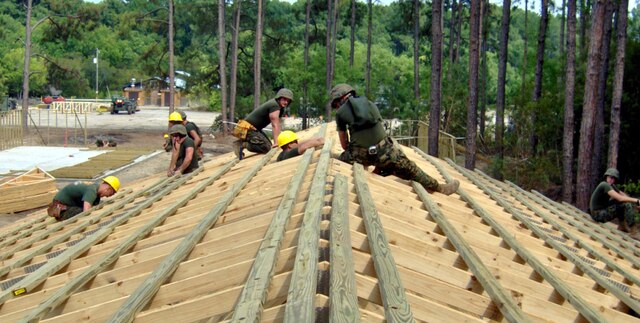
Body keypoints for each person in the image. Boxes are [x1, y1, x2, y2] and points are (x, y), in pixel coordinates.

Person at [329, 83, 459, 195]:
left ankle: (376, 170)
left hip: (359, 156)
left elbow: (345, 145)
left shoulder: (341, 114)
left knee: (337, 159)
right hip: (384, 151)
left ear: (339, 99)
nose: (336, 108)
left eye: (335, 105)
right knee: (411, 169)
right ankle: (440, 188)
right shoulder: (370, 104)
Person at [232, 88, 294, 159]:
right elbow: (274, 125)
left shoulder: (279, 107)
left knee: (268, 147)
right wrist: (277, 143)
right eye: (284, 99)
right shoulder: (275, 105)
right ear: (279, 98)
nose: (286, 102)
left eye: (288, 100)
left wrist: (279, 141)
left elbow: (277, 124)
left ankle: (246, 141)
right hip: (248, 128)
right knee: (266, 148)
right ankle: (242, 144)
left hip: (254, 129)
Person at [589, 168, 640, 240]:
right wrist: (637, 201)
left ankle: (622, 226)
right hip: (597, 214)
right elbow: (620, 198)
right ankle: (634, 232)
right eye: (610, 177)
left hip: (600, 211)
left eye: (613, 178)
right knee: (625, 204)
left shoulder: (611, 185)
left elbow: (622, 194)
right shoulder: (604, 185)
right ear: (606, 176)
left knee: (625, 203)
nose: (611, 180)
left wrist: (635, 204)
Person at [47, 176, 120, 221]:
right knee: (82, 213)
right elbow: (86, 212)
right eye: (110, 194)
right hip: (59, 207)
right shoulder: (92, 190)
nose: (108, 196)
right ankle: (62, 215)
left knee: (95, 204)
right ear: (108, 189)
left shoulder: (95, 188)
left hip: (66, 203)